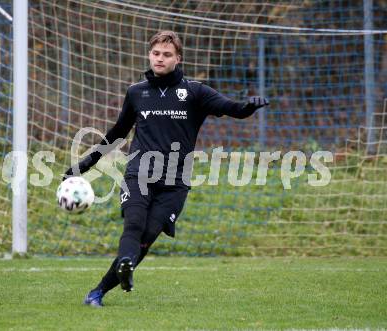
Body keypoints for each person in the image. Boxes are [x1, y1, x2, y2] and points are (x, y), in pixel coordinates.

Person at [63, 30, 269, 307]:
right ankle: (113, 278)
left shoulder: (195, 92)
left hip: (175, 181)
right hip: (139, 173)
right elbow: (117, 133)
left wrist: (247, 107)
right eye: (156, 53)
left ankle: (104, 285)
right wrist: (85, 164)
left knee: (146, 238)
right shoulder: (137, 93)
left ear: (178, 58)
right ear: (150, 55)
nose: (160, 59)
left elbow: (230, 107)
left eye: (167, 54)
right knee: (134, 226)